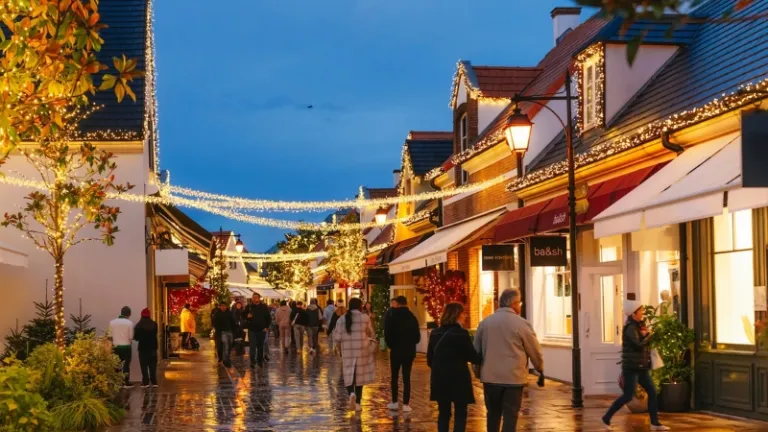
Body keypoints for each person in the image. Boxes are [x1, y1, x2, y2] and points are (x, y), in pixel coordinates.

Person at [474, 289, 543, 432]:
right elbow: (534, 349)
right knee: (510, 416)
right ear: (514, 303)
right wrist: (539, 367)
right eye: (520, 303)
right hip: (513, 377)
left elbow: (476, 351)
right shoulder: (521, 324)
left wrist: (478, 372)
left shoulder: (485, 323)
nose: (520, 306)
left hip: (490, 378)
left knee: (493, 415)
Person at [602, 300, 670, 431]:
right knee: (628, 396)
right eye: (640, 311)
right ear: (633, 313)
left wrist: (646, 335)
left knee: (652, 392)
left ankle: (655, 423)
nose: (642, 313)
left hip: (641, 367)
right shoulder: (630, 328)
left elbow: (642, 343)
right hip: (632, 368)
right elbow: (638, 345)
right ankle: (606, 418)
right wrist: (649, 336)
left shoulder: (638, 326)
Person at [428, 303, 481, 432]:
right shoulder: (461, 334)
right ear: (457, 315)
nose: (465, 316)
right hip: (459, 378)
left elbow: (430, 359)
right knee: (460, 413)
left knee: (443, 413)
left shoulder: (435, 333)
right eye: (463, 313)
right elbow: (472, 357)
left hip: (440, 378)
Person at [334, 298, 375, 412]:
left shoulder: (342, 319)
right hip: (362, 351)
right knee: (359, 378)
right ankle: (358, 404)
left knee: (348, 375)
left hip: (347, 351)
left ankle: (351, 393)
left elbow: (337, 338)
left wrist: (338, 348)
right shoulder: (365, 318)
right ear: (360, 306)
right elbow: (371, 333)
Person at [384, 295, 420, 412]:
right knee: (406, 377)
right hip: (409, 351)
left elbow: (387, 334)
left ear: (398, 304)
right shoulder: (412, 317)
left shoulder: (392, 317)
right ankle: (406, 404)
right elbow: (417, 337)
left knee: (394, 376)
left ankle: (394, 401)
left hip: (396, 351)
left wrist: (392, 345)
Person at [109, 306, 135, 389]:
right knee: (126, 365)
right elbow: (131, 337)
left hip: (115, 347)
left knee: (116, 364)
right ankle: (125, 382)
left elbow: (110, 336)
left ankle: (117, 382)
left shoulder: (112, 322)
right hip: (126, 347)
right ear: (129, 314)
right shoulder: (129, 323)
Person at [244, 293, 272, 368]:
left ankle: (260, 361)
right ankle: (252, 362)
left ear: (259, 298)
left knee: (260, 346)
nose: (254, 299)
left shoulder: (264, 307)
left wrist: (266, 327)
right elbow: (243, 315)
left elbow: (268, 318)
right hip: (252, 329)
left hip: (261, 330)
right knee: (252, 346)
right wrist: (247, 316)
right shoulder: (249, 306)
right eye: (253, 297)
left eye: (256, 297)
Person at [133, 308, 159, 388]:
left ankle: (145, 382)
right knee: (153, 365)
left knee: (143, 365)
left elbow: (136, 338)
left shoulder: (138, 325)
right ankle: (154, 382)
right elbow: (155, 333)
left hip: (143, 348)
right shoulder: (154, 324)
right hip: (153, 348)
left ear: (141, 315)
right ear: (149, 315)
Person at [213, 302, 236, 368]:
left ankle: (226, 357)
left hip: (230, 331)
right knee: (225, 345)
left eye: (224, 306)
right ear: (220, 306)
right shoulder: (217, 313)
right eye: (222, 306)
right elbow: (214, 322)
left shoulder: (229, 313)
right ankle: (226, 360)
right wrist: (218, 330)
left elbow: (233, 322)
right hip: (222, 332)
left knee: (230, 345)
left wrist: (234, 330)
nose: (223, 307)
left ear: (226, 306)